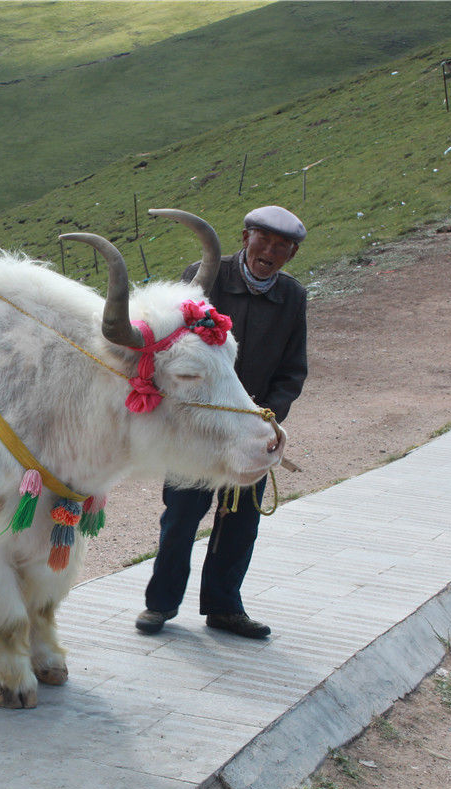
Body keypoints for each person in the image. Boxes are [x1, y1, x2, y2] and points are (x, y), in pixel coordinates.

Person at [136, 205, 308, 638]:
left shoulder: (292, 296)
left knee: (242, 521)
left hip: (251, 430)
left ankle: (224, 607)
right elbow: (173, 344)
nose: (269, 252)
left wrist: (267, 415)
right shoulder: (205, 275)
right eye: (263, 241)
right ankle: (160, 605)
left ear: (292, 254)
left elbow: (293, 370)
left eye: (282, 247)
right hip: (198, 428)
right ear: (246, 236)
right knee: (180, 517)